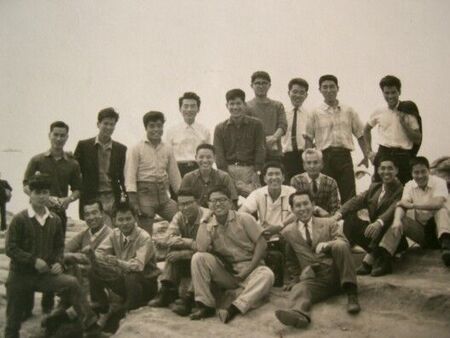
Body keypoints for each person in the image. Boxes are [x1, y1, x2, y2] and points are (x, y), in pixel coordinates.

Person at [4, 174, 98, 338]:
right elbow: (10, 248)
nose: (41, 197)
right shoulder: (19, 219)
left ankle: (91, 328)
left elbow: (58, 248)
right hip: (20, 276)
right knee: (13, 321)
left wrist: (59, 263)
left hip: (44, 276)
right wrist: (32, 260)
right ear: (30, 194)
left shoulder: (55, 220)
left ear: (49, 195)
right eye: (37, 192)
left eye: (45, 192)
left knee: (72, 283)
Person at [274, 190, 360, 329]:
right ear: (292, 209)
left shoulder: (328, 222)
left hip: (337, 273)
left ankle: (352, 294)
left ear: (313, 204)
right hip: (316, 280)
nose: (302, 208)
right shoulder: (287, 232)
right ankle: (299, 314)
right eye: (298, 205)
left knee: (339, 245)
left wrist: (327, 245)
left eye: (306, 203)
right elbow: (291, 259)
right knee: (300, 288)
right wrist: (296, 277)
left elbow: (343, 243)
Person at [190, 186, 274, 323]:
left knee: (267, 275)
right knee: (198, 257)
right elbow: (201, 248)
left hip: (252, 268)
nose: (218, 204)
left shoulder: (244, 219)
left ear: (230, 202)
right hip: (229, 272)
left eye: (222, 200)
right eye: (213, 201)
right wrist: (204, 221)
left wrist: (248, 270)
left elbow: (262, 244)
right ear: (208, 204)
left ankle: (234, 308)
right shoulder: (209, 225)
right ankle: (205, 305)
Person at [23, 121, 82, 314]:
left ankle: (49, 302)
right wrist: (41, 199)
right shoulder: (37, 160)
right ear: (49, 135)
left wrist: (67, 199)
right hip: (37, 214)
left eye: (62, 135)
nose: (59, 139)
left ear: (67, 137)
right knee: (33, 252)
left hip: (59, 215)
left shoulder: (72, 163)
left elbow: (78, 190)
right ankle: (27, 304)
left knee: (55, 254)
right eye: (55, 135)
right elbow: (25, 185)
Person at [89, 202, 160, 331]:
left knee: (131, 275)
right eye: (120, 219)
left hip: (146, 284)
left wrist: (116, 262)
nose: (125, 223)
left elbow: (137, 266)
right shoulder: (115, 234)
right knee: (93, 269)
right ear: (114, 221)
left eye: (128, 219)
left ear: (135, 219)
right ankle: (102, 306)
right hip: (125, 280)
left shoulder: (144, 237)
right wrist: (105, 260)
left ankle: (129, 308)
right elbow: (98, 253)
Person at [332, 156, 404, 276]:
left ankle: (373, 261)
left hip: (390, 234)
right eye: (383, 168)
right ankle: (349, 252)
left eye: (390, 168)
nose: (386, 172)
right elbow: (356, 201)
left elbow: (393, 209)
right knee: (350, 218)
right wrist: (338, 214)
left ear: (396, 170)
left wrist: (379, 222)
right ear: (378, 170)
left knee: (389, 219)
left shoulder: (401, 189)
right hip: (374, 235)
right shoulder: (375, 187)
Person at [305, 75, 369, 203]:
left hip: (344, 156)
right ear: (320, 90)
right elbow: (308, 139)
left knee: (349, 194)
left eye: (332, 87)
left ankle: (350, 222)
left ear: (337, 88)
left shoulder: (349, 111)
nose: (329, 90)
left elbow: (361, 135)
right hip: (324, 158)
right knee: (325, 195)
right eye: (325, 87)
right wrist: (308, 162)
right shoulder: (314, 113)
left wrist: (366, 156)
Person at [381, 157, 450, 267]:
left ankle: (447, 248)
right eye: (416, 172)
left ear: (429, 171)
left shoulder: (439, 182)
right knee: (400, 220)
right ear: (411, 173)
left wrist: (413, 205)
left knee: (441, 210)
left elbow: (438, 203)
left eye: (423, 171)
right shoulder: (409, 185)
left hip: (444, 232)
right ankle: (383, 258)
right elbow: (402, 205)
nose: (420, 176)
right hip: (425, 234)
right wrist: (397, 220)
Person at [149, 190, 209, 316]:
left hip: (206, 258)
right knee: (173, 249)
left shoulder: (207, 216)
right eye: (182, 204)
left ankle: (188, 298)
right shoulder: (179, 216)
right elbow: (168, 239)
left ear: (197, 202)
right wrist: (190, 243)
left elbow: (208, 248)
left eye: (189, 203)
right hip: (192, 253)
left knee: (197, 256)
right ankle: (166, 290)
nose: (185, 207)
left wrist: (184, 253)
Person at [239, 162, 295, 286]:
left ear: (283, 177)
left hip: (285, 230)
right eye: (270, 174)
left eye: (277, 174)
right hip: (264, 232)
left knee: (290, 233)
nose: (274, 177)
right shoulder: (257, 193)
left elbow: (296, 213)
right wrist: (256, 227)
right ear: (264, 178)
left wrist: (280, 226)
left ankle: (292, 275)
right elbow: (242, 213)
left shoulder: (291, 191)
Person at [125, 111, 181, 234]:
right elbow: (130, 176)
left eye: (159, 126)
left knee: (182, 217)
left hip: (163, 196)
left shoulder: (167, 148)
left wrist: (181, 196)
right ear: (146, 127)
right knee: (145, 232)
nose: (156, 129)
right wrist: (133, 202)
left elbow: (174, 176)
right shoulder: (136, 148)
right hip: (144, 196)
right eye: (152, 126)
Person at [364, 75, 422, 184]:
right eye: (387, 93)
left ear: (399, 92)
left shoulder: (408, 110)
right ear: (383, 93)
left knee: (404, 191)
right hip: (383, 154)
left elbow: (418, 139)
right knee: (378, 190)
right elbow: (366, 130)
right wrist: (369, 152)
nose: (390, 96)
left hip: (403, 156)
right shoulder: (379, 110)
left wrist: (404, 125)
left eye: (393, 92)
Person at [74, 107, 127, 223]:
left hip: (113, 197)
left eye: (112, 124)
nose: (108, 127)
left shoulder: (121, 149)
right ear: (98, 124)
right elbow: (74, 171)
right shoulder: (84, 146)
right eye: (105, 123)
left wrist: (126, 199)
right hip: (92, 197)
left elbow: (123, 177)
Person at [214, 88, 266, 197]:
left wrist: (257, 173)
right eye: (231, 104)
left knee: (255, 201)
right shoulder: (220, 128)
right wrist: (226, 176)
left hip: (250, 170)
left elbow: (260, 150)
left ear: (244, 104)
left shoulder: (256, 125)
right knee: (230, 201)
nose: (235, 107)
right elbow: (219, 154)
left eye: (238, 103)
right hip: (228, 170)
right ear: (226, 105)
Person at [165, 92, 211, 177]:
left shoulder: (204, 131)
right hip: (177, 171)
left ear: (198, 109)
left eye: (193, 106)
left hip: (199, 170)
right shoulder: (171, 131)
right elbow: (167, 156)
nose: (189, 109)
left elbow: (209, 156)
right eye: (186, 106)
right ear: (180, 109)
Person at [179, 143, 238, 208]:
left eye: (209, 157)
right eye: (201, 157)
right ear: (195, 158)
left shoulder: (224, 177)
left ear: (214, 158)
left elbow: (233, 202)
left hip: (218, 213)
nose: (205, 160)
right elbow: (181, 201)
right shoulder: (188, 178)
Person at [246, 71, 287, 161]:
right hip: (254, 154)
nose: (261, 86)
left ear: (269, 85)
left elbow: (283, 125)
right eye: (257, 83)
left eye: (264, 83)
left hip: (274, 152)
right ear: (251, 85)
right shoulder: (246, 106)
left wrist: (274, 138)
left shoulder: (277, 105)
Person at [64, 200, 112, 272]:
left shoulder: (110, 234)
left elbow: (95, 259)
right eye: (87, 214)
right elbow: (64, 250)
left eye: (94, 213)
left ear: (102, 213)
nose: (91, 217)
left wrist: (73, 256)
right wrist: (74, 256)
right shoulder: (84, 234)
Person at [290, 148, 341, 216]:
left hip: (325, 220)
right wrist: (315, 208)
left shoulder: (330, 182)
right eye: (308, 163)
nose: (312, 166)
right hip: (303, 219)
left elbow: (335, 209)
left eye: (315, 162)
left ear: (322, 164)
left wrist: (327, 217)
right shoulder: (297, 181)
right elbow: (295, 206)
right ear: (304, 166)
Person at [282, 78, 309, 182]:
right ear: (289, 93)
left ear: (306, 95)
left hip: (303, 156)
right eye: (295, 92)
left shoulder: (310, 115)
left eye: (302, 92)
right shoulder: (282, 113)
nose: (298, 95)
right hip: (285, 156)